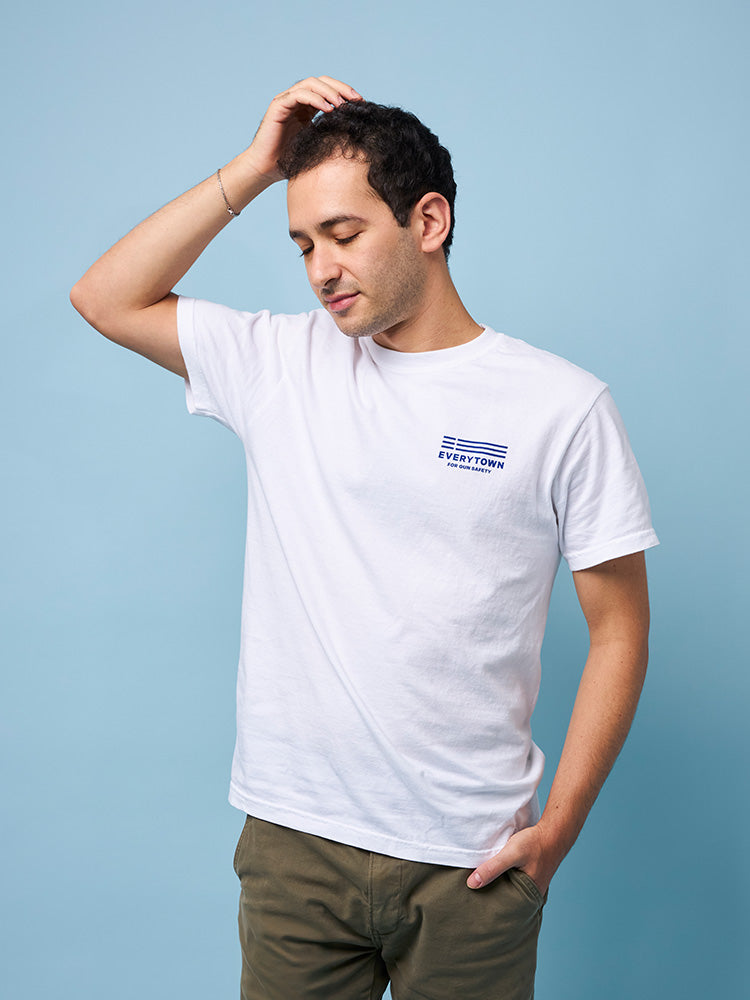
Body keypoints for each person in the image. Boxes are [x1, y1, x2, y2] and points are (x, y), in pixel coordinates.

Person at [71, 76, 659, 1000]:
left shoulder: (562, 406)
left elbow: (620, 627)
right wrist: (257, 168)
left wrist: (560, 831)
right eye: (303, 243)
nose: (319, 268)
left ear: (429, 222)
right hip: (297, 849)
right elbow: (105, 296)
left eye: (344, 235)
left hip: (473, 864)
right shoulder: (280, 363)